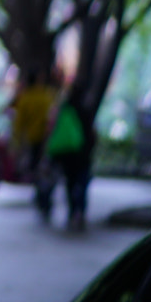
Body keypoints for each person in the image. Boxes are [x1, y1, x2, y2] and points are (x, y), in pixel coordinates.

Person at [46, 94, 94, 232]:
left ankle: (72, 212)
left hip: (67, 156)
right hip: (84, 156)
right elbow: (92, 135)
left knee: (70, 183)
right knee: (83, 185)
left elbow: (52, 131)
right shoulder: (86, 112)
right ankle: (81, 212)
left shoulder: (63, 112)